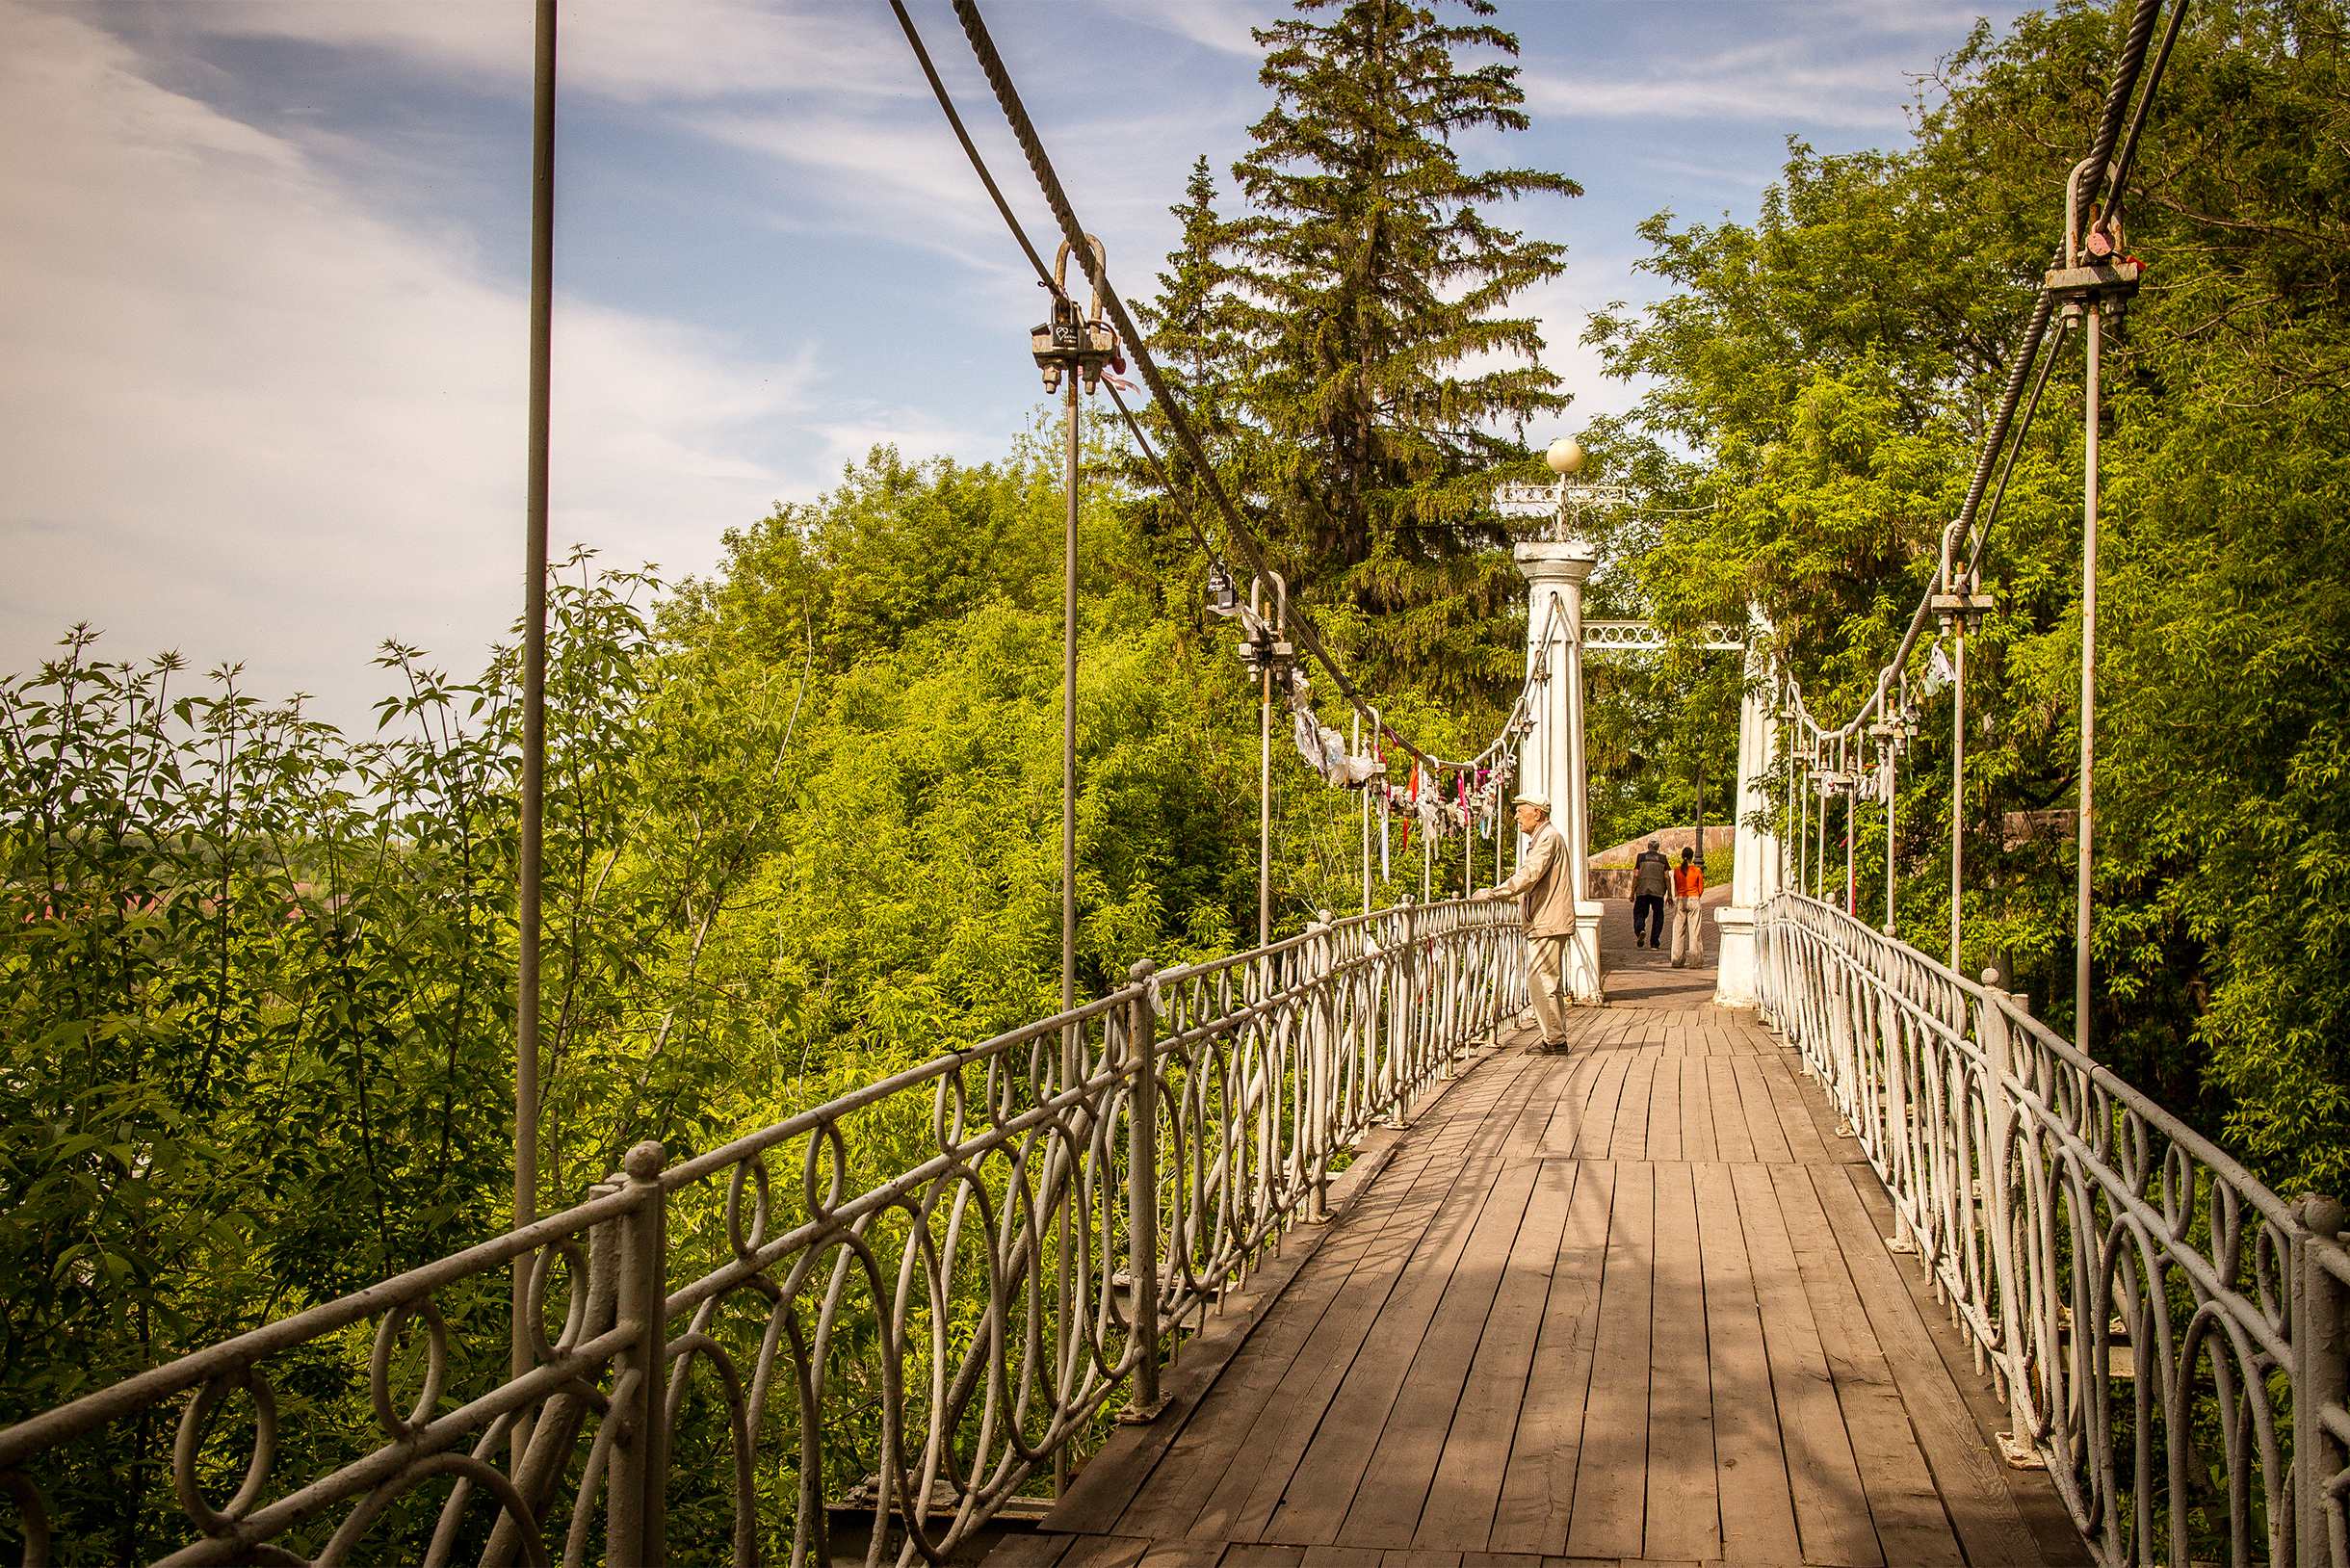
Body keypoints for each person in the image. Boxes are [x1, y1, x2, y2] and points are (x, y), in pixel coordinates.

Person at [1472, 793, 1576, 1052]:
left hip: (1547, 921)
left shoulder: (1548, 838)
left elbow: (1529, 874)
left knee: (1541, 981)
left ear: (1537, 814)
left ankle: (1555, 1041)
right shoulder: (1545, 838)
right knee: (1547, 980)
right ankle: (1555, 1036)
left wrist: (1495, 893)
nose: (1516, 816)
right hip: (1546, 919)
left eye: (1521, 811)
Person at [1631, 838, 1670, 949]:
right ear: (1658, 848)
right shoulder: (1663, 859)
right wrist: (1670, 894)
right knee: (1658, 916)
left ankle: (1640, 930)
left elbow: (1636, 875)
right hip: (1658, 891)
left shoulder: (1641, 857)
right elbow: (1667, 876)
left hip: (1642, 890)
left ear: (1648, 847)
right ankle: (1654, 943)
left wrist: (1632, 892)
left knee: (1639, 913)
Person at [1669, 847, 1706, 968]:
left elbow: (1676, 887)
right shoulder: (1697, 871)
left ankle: (1677, 959)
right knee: (1695, 932)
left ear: (1681, 856)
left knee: (1678, 931)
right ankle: (1695, 961)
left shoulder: (1677, 871)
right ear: (1692, 857)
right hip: (1694, 899)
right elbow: (1701, 888)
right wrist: (1696, 896)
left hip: (1681, 899)